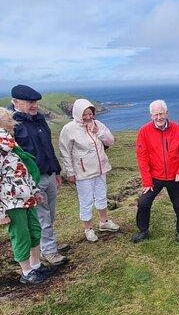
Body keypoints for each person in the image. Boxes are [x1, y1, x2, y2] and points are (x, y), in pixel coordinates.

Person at [11, 85, 68, 266]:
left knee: (50, 214)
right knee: (42, 216)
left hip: (49, 173)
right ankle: (50, 251)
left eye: (35, 102)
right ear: (15, 102)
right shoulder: (12, 125)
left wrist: (57, 171)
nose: (34, 105)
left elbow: (48, 148)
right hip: (32, 179)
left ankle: (47, 245)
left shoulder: (39, 120)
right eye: (29, 102)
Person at [0, 108, 52, 284]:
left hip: (27, 198)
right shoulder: (2, 147)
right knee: (21, 235)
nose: (13, 125)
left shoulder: (13, 145)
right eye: (9, 121)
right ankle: (26, 272)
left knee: (34, 230)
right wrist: (1, 213)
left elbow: (24, 172)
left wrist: (35, 191)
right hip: (12, 203)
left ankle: (36, 265)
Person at [59, 99, 119, 242]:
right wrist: (70, 172)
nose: (88, 117)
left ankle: (104, 222)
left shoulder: (98, 124)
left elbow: (110, 141)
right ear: (77, 113)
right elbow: (65, 151)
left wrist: (98, 132)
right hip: (83, 172)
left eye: (90, 114)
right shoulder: (69, 129)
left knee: (101, 195)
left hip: (100, 168)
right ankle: (88, 229)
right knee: (86, 200)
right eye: (84, 114)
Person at [132, 99, 179, 243]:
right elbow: (142, 157)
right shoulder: (144, 131)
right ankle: (143, 231)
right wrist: (147, 181)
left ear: (166, 113)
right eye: (155, 114)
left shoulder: (177, 129)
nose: (158, 117)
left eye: (161, 113)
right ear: (151, 116)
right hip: (155, 177)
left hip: (175, 176)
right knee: (143, 203)